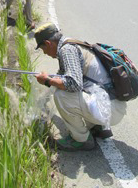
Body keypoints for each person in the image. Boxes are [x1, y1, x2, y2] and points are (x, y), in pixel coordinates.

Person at [34, 23, 127, 151]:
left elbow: (74, 84)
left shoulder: (66, 51)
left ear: (48, 43)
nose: (45, 53)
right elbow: (63, 77)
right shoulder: (72, 44)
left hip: (110, 109)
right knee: (64, 87)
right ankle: (98, 127)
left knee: (62, 95)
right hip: (112, 103)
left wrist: (47, 81)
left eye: (43, 49)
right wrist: (45, 92)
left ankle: (81, 140)